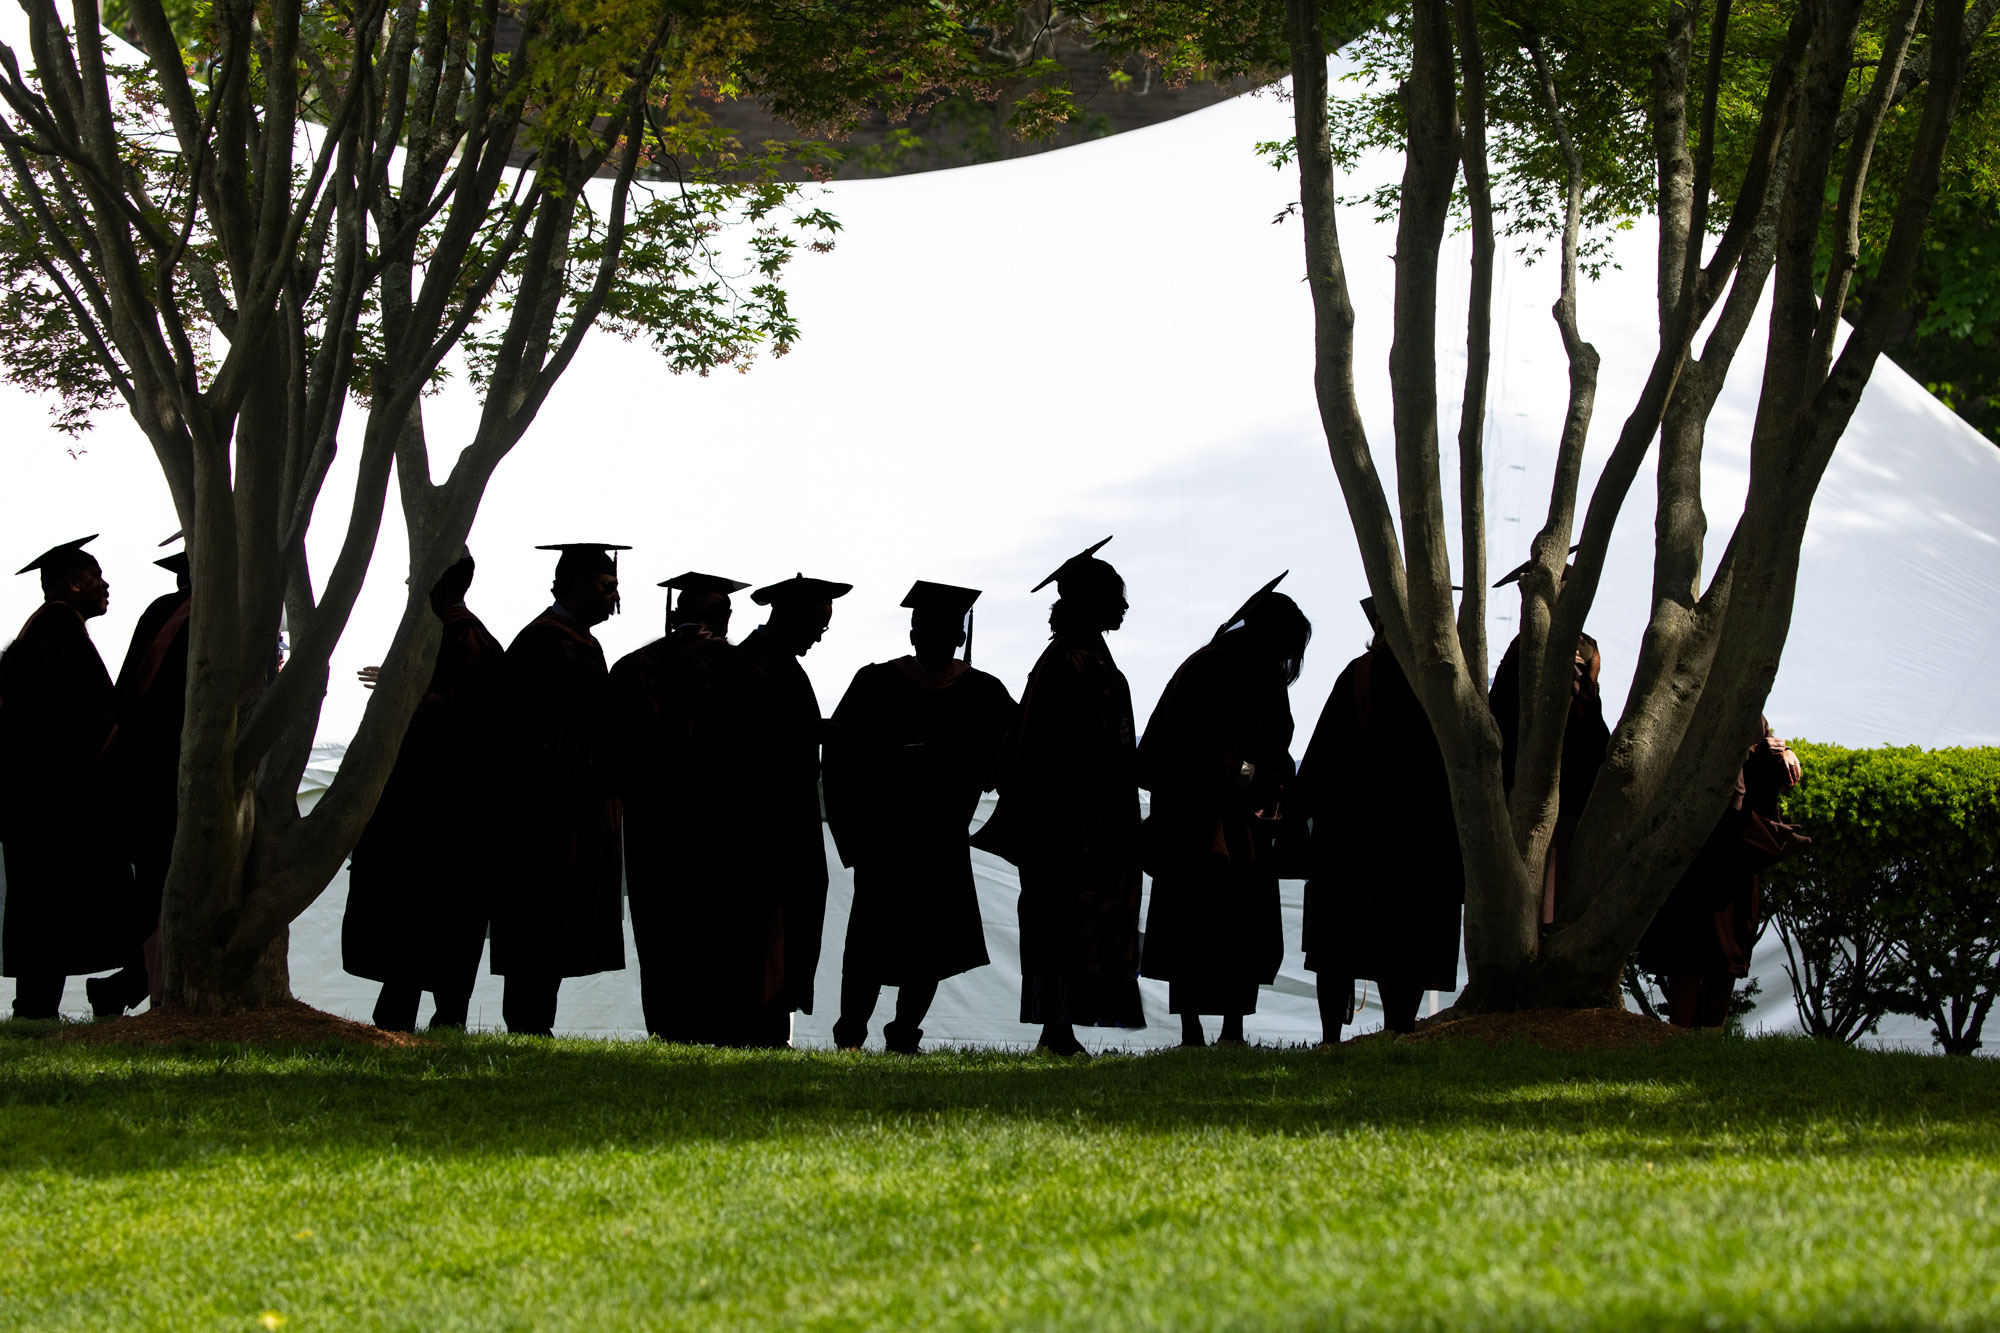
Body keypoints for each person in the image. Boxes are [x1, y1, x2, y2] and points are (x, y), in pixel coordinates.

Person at [824, 581, 1017, 1053]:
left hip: (942, 837)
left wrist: (956, 767)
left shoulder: (984, 691)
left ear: (958, 636)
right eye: (925, 629)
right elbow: (840, 756)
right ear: (912, 635)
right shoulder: (876, 682)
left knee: (929, 946)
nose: (933, 638)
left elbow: (1012, 758)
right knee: (869, 944)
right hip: (885, 838)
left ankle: (903, 1035)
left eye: (944, 630)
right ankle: (851, 1033)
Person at [971, 537, 1145, 1056]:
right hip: (1071, 823)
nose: (1124, 606)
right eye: (1115, 595)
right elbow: (1073, 754)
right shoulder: (1071, 664)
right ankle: (1057, 1029)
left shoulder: (1076, 659)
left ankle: (1060, 1028)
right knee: (1063, 925)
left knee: (1067, 924)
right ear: (1091, 603)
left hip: (1080, 821)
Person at [606, 570, 786, 1045]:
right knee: (721, 928)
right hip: (726, 826)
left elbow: (611, 752)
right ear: (725, 617)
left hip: (653, 825)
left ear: (675, 613)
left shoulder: (631, 668)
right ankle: (724, 1025)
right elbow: (768, 753)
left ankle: (668, 1027)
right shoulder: (747, 668)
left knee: (661, 927)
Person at [1138, 575, 1310, 1048]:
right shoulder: (1208, 668)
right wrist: (1239, 774)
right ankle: (1193, 1030)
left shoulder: (1261, 674)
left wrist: (1265, 780)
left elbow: (1278, 741)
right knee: (1190, 930)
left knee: (1242, 931)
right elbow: (1170, 748)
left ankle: (1232, 1029)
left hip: (1246, 823)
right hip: (1194, 821)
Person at [340, 551, 506, 1032]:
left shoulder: (464, 637)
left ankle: (443, 1017)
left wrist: (408, 694)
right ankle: (403, 1014)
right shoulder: (438, 634)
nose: (410, 580)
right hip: (423, 810)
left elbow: (480, 712)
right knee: (413, 920)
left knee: (436, 917)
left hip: (447, 813)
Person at [1290, 597, 1463, 1041]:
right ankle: (1399, 1030)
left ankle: (1331, 1038)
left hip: (1350, 829)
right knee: (1406, 941)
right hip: (1419, 834)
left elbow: (1320, 759)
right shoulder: (1443, 681)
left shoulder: (1358, 674)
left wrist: (1299, 811)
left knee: (1339, 943)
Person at [488, 542, 629, 1036]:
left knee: (555, 918)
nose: (614, 597)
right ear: (572, 584)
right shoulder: (544, 643)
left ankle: (535, 1020)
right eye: (604, 586)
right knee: (537, 915)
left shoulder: (581, 642)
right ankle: (526, 1021)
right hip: (544, 808)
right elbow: (528, 733)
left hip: (572, 804)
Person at [0, 536, 139, 1019]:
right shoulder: (60, 629)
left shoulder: (38, 632)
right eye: (96, 576)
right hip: (56, 804)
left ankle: (35, 1009)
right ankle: (37, 1010)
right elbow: (90, 716)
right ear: (75, 582)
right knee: (51, 909)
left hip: (35, 802)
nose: (105, 586)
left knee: (43, 908)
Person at [736, 571, 851, 1039]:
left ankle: (774, 1017)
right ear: (790, 616)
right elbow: (755, 738)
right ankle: (758, 1020)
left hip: (788, 817)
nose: (820, 635)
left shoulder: (779, 663)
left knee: (792, 917)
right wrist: (816, 733)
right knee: (768, 921)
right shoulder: (750, 664)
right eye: (817, 624)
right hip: (762, 822)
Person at [1639, 720, 1806, 1028]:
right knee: (1686, 943)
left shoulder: (1753, 713)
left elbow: (1764, 741)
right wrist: (1753, 752)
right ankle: (1679, 1031)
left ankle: (1714, 1033)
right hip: (1697, 839)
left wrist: (1784, 752)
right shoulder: (1694, 700)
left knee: (1727, 945)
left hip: (1738, 839)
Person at [95, 533, 193, 1015]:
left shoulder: (163, 613)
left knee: (157, 880)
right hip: (164, 774)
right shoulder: (187, 617)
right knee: (163, 880)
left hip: (146, 772)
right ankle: (149, 988)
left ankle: (128, 987)